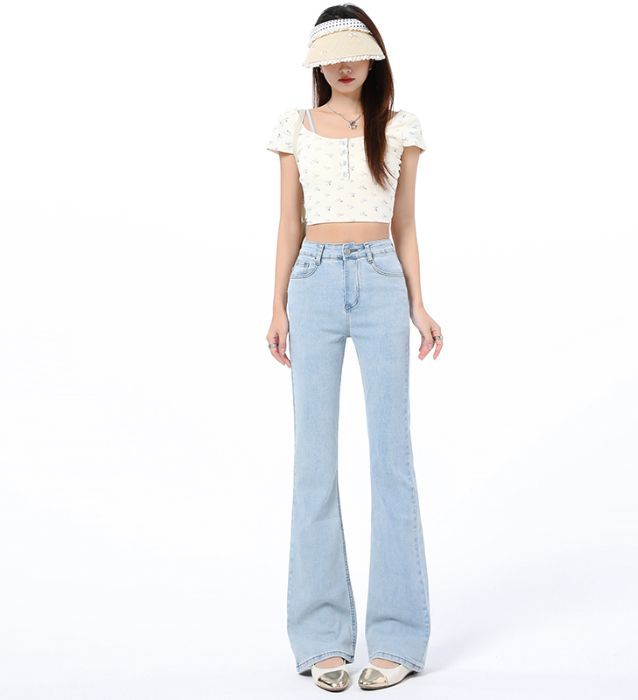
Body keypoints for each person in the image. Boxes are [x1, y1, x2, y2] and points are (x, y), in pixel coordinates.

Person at [265, 7, 443, 692]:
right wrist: (277, 305)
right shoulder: (296, 126)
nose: (344, 65)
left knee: (391, 460)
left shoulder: (399, 128)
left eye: (355, 52)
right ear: (317, 62)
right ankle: (322, 639)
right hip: (311, 282)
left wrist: (418, 304)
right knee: (313, 464)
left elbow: (406, 226)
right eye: (331, 55)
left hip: (380, 284)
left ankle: (398, 637)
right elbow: (288, 222)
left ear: (374, 57)